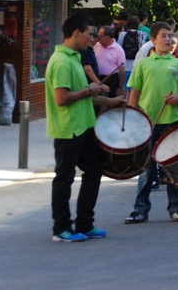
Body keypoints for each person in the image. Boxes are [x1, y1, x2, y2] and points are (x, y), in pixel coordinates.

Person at [46, 13, 125, 242]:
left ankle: (85, 223)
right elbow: (62, 98)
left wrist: (110, 101)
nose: (93, 39)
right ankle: (61, 228)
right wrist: (90, 90)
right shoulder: (61, 61)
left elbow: (84, 95)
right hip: (68, 128)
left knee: (94, 171)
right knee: (65, 177)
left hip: (84, 126)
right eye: (90, 34)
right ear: (76, 33)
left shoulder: (75, 58)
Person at [125, 22, 178, 224]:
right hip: (147, 123)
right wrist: (133, 118)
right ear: (153, 39)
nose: (168, 39)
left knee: (173, 168)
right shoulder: (143, 64)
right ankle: (140, 210)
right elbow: (134, 93)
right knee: (146, 170)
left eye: (170, 35)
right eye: (163, 35)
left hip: (172, 122)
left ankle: (176, 209)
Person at [94, 26, 126, 98]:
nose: (98, 37)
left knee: (110, 101)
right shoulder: (95, 46)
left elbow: (122, 70)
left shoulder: (118, 49)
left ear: (107, 37)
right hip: (96, 78)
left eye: (100, 36)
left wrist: (120, 87)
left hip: (111, 80)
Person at [118, 15, 148, 87]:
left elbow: (119, 49)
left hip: (124, 66)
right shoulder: (142, 35)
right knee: (133, 88)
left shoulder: (123, 34)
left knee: (123, 87)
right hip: (136, 66)